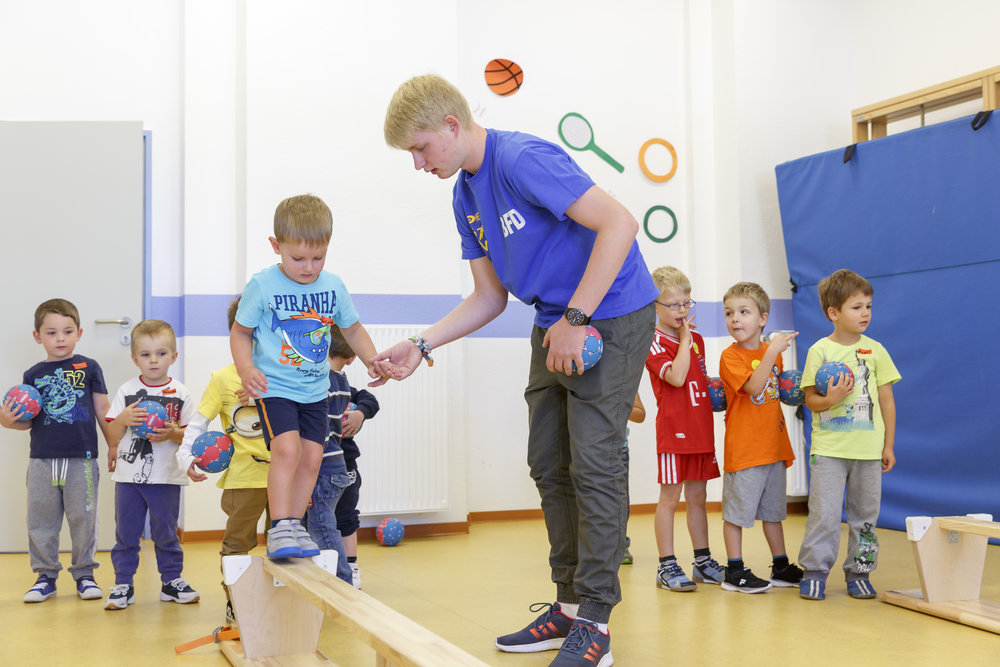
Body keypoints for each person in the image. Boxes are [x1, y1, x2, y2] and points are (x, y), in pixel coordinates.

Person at [378, 74, 658, 667]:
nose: (418, 163)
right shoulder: (464, 195)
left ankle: (598, 622)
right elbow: (489, 297)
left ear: (451, 127)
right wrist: (420, 344)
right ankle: (568, 605)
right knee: (548, 463)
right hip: (555, 320)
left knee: (594, 462)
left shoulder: (523, 159)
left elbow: (620, 224)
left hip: (610, 310)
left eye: (420, 148)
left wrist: (578, 317)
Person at [231, 193, 396, 560]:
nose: (308, 267)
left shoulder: (332, 286)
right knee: (286, 450)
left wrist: (372, 359)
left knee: (312, 456)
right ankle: (281, 526)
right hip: (275, 388)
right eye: (297, 258)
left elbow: (352, 329)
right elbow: (240, 332)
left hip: (314, 390)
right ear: (276, 246)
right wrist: (247, 369)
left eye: (317, 258)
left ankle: (297, 522)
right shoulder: (263, 285)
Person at [797, 269, 900, 601]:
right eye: (857, 307)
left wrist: (888, 445)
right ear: (833, 313)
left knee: (865, 518)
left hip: (869, 451)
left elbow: (886, 400)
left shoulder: (877, 350)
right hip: (829, 449)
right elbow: (810, 399)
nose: (865, 313)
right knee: (824, 515)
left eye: (868, 306)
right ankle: (814, 571)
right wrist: (831, 399)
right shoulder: (819, 351)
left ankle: (860, 571)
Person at [0, 298, 111, 603]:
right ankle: (45, 577)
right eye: (51, 333)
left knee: (83, 518)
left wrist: (114, 444)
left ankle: (85, 574)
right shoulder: (32, 375)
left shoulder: (89, 367)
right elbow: (26, 421)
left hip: (83, 460)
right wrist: (7, 421)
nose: (60, 338)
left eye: (67, 331)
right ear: (38, 336)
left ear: (79, 333)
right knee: (41, 519)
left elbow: (104, 412)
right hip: (42, 461)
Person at [177, 298, 271, 624]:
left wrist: (267, 394)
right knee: (237, 545)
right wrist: (185, 455)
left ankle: (282, 602)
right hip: (244, 480)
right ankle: (237, 603)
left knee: (286, 544)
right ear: (236, 334)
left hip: (285, 478)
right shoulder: (221, 379)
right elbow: (199, 421)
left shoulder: (285, 377)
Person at [103, 319, 199, 610]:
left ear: (174, 356)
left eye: (161, 353)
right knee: (126, 532)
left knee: (166, 532)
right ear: (135, 359)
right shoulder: (126, 390)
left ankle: (171, 581)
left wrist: (172, 433)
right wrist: (122, 420)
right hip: (128, 478)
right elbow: (112, 434)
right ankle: (123, 584)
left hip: (166, 477)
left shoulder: (181, 393)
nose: (153, 360)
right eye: (146, 354)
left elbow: (192, 435)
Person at [718, 282, 804, 594]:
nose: (735, 319)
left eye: (743, 312)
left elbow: (773, 391)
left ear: (762, 318)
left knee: (773, 513)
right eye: (729, 313)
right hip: (745, 451)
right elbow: (754, 387)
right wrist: (771, 352)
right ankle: (734, 570)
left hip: (773, 448)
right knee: (737, 514)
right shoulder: (730, 357)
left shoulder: (772, 356)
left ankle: (780, 566)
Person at [645, 266, 724, 591]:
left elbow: (696, 381)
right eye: (674, 305)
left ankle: (702, 561)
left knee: (698, 495)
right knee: (669, 497)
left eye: (687, 304)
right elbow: (676, 377)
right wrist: (685, 340)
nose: (682, 311)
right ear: (656, 306)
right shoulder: (652, 341)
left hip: (700, 428)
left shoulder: (698, 341)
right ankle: (666, 565)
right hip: (674, 431)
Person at [301, 326, 363, 585]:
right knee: (316, 525)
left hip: (323, 469)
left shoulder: (322, 380)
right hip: (334, 466)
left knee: (323, 528)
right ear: (351, 356)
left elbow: (318, 429)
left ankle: (342, 583)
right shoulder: (340, 380)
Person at [327, 329, 380, 589]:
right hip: (318, 465)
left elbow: (369, 399)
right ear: (352, 357)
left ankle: (350, 566)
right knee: (320, 518)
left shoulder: (343, 385)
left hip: (346, 465)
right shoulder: (312, 382)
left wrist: (359, 413)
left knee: (346, 516)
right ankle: (327, 566)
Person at [620, 392, 645, 566]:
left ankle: (620, 546)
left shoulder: (624, 380)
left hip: (618, 450)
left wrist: (617, 405)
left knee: (621, 502)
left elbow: (640, 414)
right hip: (589, 450)